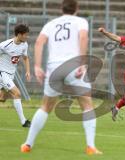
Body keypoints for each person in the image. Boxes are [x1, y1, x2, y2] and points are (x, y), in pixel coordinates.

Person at [21, 0, 102, 155]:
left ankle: (27, 144)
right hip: (73, 65)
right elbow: (83, 38)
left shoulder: (52, 24)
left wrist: (37, 66)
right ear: (77, 9)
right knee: (87, 105)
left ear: (61, 8)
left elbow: (39, 42)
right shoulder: (80, 21)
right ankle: (90, 146)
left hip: (54, 68)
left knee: (45, 107)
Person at [0, 24, 31, 127]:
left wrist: (28, 71)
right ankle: (24, 121)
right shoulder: (5, 45)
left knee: (2, 98)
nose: (27, 37)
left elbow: (26, 58)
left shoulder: (24, 45)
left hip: (11, 75)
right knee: (17, 93)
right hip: (2, 73)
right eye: (25, 35)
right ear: (19, 34)